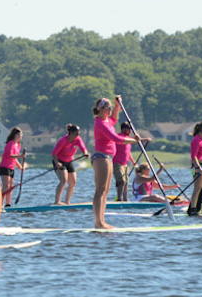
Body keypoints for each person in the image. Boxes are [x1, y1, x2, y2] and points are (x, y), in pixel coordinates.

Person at [91, 97, 146, 229]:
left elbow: (114, 119)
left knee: (105, 190)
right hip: (101, 157)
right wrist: (134, 140)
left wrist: (117, 106)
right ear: (101, 109)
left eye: (110, 108)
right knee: (100, 190)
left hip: (108, 158)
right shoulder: (101, 123)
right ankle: (98, 223)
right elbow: (116, 138)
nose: (110, 110)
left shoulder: (107, 121)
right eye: (108, 108)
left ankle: (102, 221)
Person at [51, 124, 89, 205]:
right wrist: (57, 163)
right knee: (63, 180)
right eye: (76, 134)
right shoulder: (63, 141)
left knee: (73, 182)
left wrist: (85, 153)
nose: (77, 136)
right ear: (71, 133)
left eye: (78, 134)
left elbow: (83, 148)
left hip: (69, 161)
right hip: (59, 161)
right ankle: (57, 201)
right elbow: (54, 153)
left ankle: (67, 202)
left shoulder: (78, 139)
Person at [0, 127, 27, 207]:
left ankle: (8, 204)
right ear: (15, 135)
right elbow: (10, 156)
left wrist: (20, 167)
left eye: (21, 135)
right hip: (4, 167)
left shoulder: (18, 145)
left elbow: (14, 159)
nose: (21, 137)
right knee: (5, 187)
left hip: (11, 168)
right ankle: (0, 204)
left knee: (10, 187)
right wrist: (21, 156)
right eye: (20, 135)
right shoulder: (10, 143)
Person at [112, 121, 134, 201]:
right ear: (124, 129)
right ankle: (119, 198)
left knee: (126, 183)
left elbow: (128, 152)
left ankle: (125, 199)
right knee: (121, 181)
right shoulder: (119, 137)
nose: (130, 131)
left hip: (125, 164)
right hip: (117, 163)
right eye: (129, 129)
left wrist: (133, 161)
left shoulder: (129, 139)